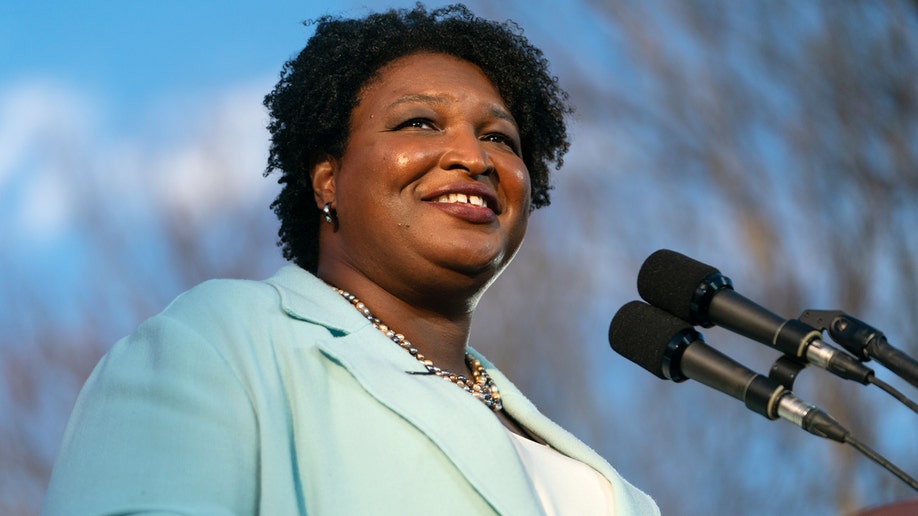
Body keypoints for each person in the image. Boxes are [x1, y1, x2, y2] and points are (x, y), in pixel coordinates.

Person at [43, 4, 659, 515]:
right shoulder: (223, 342)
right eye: (419, 123)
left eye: (499, 137)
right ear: (326, 181)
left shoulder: (593, 474)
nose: (473, 156)